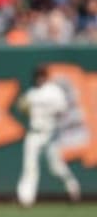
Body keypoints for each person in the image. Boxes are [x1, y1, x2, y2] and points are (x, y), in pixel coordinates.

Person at [16, 65, 81, 207]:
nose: (40, 78)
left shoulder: (54, 92)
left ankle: (72, 187)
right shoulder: (32, 93)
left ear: (46, 76)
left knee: (56, 166)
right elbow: (22, 107)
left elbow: (63, 111)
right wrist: (24, 107)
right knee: (29, 166)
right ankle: (25, 199)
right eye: (38, 76)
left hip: (50, 134)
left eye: (42, 75)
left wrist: (52, 117)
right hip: (34, 132)